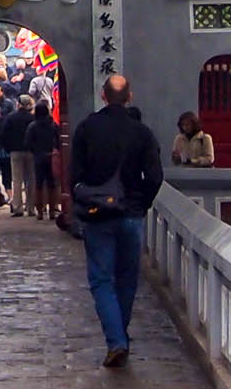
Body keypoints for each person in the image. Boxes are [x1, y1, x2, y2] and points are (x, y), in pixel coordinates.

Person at [70, 74, 164, 365]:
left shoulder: (87, 128)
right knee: (126, 278)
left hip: (98, 215)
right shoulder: (142, 132)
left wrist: (81, 199)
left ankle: (116, 340)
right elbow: (156, 177)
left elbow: (74, 175)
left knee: (101, 279)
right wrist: (141, 204)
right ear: (130, 97)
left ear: (103, 95)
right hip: (131, 214)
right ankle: (119, 335)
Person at [27, 95, 64, 220]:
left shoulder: (32, 126)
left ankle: (40, 212)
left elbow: (28, 142)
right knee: (52, 184)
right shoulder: (53, 125)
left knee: (38, 184)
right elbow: (59, 141)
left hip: (38, 157)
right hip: (51, 157)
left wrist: (35, 151)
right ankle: (53, 210)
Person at [4, 95, 37, 215]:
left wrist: (8, 149)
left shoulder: (11, 118)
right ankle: (31, 207)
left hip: (15, 151)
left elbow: (5, 134)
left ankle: (18, 207)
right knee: (31, 179)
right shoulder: (32, 118)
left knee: (17, 180)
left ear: (18, 104)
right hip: (30, 151)